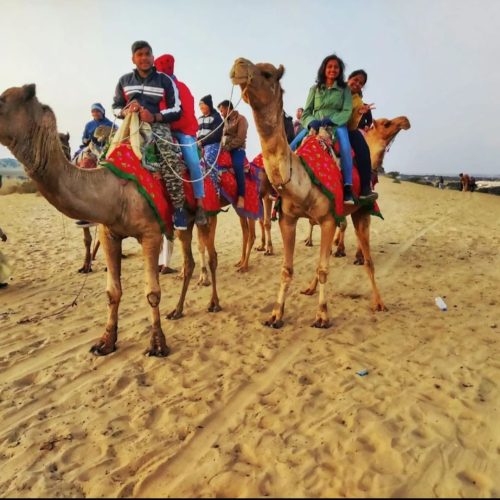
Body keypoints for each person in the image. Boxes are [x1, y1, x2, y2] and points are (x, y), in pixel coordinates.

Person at [112, 40, 188, 231]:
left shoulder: (164, 80)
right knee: (107, 154)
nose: (144, 58)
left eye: (147, 54)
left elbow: (177, 109)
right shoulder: (124, 80)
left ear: (153, 57)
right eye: (140, 55)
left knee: (170, 158)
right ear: (133, 58)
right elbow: (115, 107)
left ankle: (179, 209)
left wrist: (154, 116)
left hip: (156, 124)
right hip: (131, 124)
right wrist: (126, 111)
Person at [293, 54, 354, 203]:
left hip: (337, 125)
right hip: (316, 125)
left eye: (336, 67)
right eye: (330, 67)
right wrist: (311, 122)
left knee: (345, 148)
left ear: (340, 70)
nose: (333, 69)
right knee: (292, 145)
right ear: (324, 69)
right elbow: (306, 112)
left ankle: (347, 187)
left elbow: (347, 111)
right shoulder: (314, 89)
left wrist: (332, 120)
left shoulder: (344, 89)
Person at [155, 53, 207, 226]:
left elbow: (185, 114)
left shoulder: (182, 88)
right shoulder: (158, 90)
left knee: (192, 161)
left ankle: (200, 204)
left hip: (183, 130)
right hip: (164, 130)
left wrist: (166, 123)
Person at [346, 69, 378, 202]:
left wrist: (359, 113)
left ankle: (365, 188)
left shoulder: (359, 102)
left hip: (347, 129)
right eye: (355, 79)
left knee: (364, 149)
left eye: (361, 83)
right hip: (324, 123)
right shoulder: (336, 90)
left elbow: (352, 124)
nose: (357, 83)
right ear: (349, 78)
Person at [218, 100, 248, 209]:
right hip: (224, 149)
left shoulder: (241, 119)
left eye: (222, 111)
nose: (221, 113)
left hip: (237, 149)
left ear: (227, 108)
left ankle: (241, 196)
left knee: (237, 165)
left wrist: (228, 147)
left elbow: (240, 138)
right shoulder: (224, 122)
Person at [197, 94, 223, 166]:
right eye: (199, 105)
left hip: (212, 144)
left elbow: (217, 133)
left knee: (208, 162)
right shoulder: (199, 119)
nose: (200, 107)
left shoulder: (216, 117)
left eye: (202, 104)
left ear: (208, 105)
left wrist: (202, 142)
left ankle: (212, 177)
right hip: (199, 145)